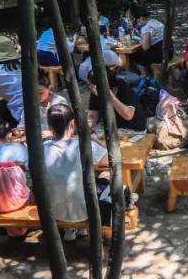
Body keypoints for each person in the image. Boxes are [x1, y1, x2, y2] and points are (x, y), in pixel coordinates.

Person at [43, 103, 131, 241]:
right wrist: (95, 139)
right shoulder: (82, 144)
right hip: (85, 211)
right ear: (72, 124)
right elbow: (111, 160)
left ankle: (71, 229)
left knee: (68, 185)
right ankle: (91, 229)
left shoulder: (42, 148)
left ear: (49, 127)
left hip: (53, 211)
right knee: (107, 177)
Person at [133, 8, 165, 79]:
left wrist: (142, 41)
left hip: (160, 55)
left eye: (138, 20)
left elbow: (146, 47)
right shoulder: (157, 22)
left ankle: (145, 78)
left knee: (136, 56)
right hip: (169, 51)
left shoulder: (146, 28)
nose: (139, 23)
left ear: (141, 18)